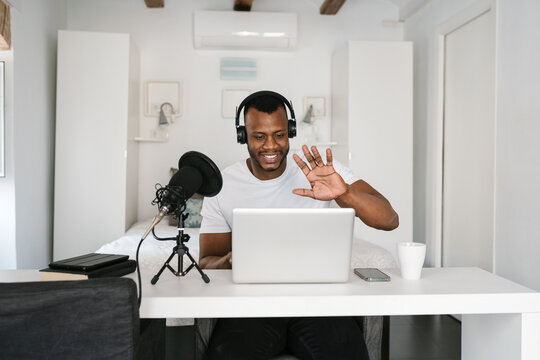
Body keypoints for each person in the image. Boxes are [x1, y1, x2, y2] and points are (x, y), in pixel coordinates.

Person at [198, 90, 398, 360]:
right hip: (253, 307)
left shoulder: (322, 169)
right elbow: (207, 261)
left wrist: (344, 194)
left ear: (290, 131)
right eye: (259, 136)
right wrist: (231, 260)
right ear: (243, 136)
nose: (271, 146)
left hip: (319, 304)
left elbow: (389, 220)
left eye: (279, 134)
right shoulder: (222, 185)